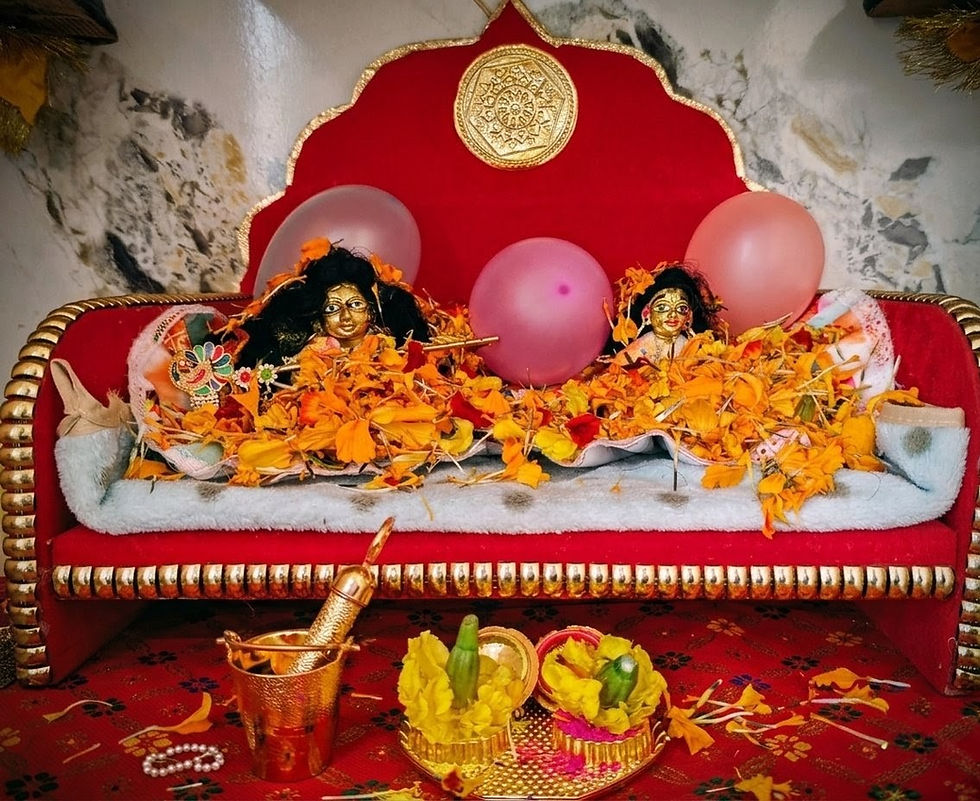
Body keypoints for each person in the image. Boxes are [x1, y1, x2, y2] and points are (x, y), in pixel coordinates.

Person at [230, 244, 431, 368]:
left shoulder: (390, 350)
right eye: (332, 308)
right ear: (319, 319)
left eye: (355, 304)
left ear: (370, 309)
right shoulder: (307, 357)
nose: (345, 316)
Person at [609, 263, 723, 366]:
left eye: (681, 308)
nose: (672, 315)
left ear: (689, 317)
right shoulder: (645, 343)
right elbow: (621, 363)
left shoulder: (690, 346)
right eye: (662, 307)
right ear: (647, 313)